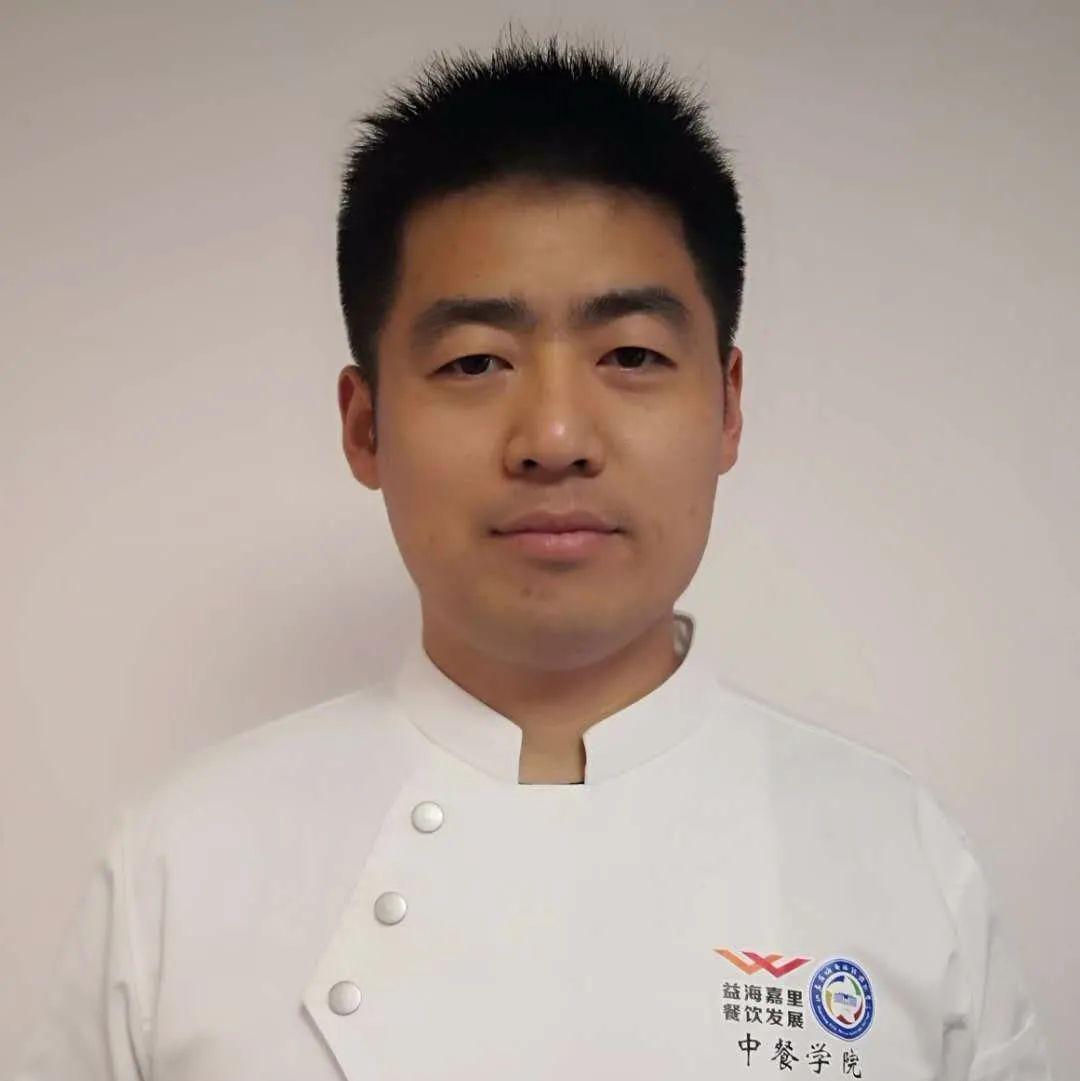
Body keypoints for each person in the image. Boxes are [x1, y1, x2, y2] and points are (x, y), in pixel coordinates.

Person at [13, 27, 1052, 1081]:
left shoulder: (906, 863)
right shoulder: (181, 870)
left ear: (728, 406)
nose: (555, 436)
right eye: (476, 362)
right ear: (365, 426)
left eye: (632, 354)